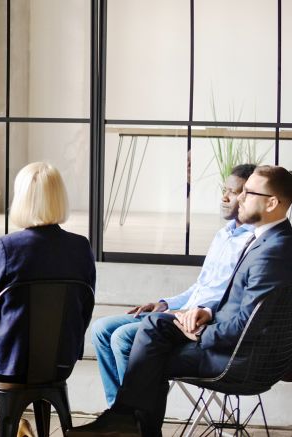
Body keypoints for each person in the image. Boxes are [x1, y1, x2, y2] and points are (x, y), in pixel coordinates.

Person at [69, 165, 292, 437]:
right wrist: (207, 314)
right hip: (227, 340)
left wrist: (200, 332)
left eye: (248, 192)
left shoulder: (273, 251)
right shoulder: (268, 242)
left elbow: (247, 325)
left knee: (144, 348)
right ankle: (126, 420)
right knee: (155, 325)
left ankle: (130, 423)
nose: (240, 198)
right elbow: (242, 307)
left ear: (272, 202)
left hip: (237, 359)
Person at [91, 164, 256, 407]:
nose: (224, 197)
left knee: (122, 337)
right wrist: (165, 303)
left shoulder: (252, 243)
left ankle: (134, 418)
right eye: (224, 189)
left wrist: (185, 313)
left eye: (233, 191)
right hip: (177, 313)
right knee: (101, 329)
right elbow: (200, 286)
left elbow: (228, 301)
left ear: (247, 196)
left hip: (196, 323)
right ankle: (120, 415)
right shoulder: (223, 235)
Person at [0, 162, 96, 436]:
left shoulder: (5, 248)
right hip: (60, 363)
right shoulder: (81, 247)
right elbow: (83, 314)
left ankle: (13, 421)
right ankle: (22, 423)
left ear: (20, 198)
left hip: (8, 363)